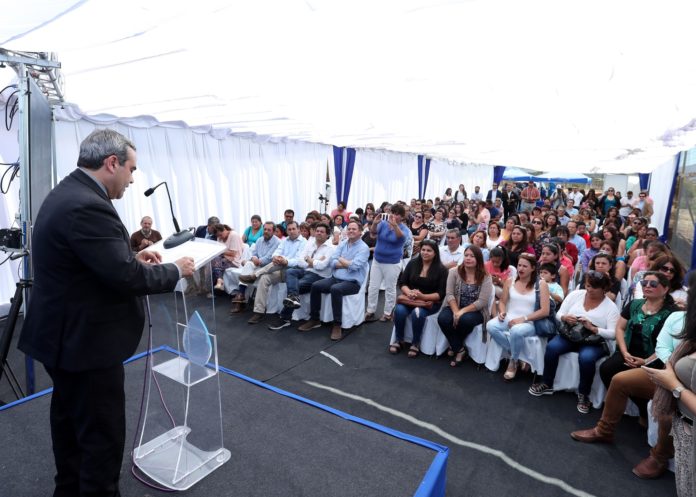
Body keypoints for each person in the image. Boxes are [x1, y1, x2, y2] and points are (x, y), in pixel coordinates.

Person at [18, 129, 195, 497]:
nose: (132, 179)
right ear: (112, 162)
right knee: (101, 439)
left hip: (66, 339)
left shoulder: (69, 192)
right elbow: (124, 277)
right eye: (131, 169)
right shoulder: (88, 204)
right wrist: (176, 269)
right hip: (85, 346)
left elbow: (89, 263)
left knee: (71, 428)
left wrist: (130, 256)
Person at [571, 272, 689, 480]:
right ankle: (604, 430)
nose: (648, 286)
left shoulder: (671, 311)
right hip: (658, 365)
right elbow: (660, 344)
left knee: (666, 412)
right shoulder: (671, 315)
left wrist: (649, 363)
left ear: (666, 288)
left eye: (654, 283)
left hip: (668, 371)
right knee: (616, 377)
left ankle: (659, 456)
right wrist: (626, 353)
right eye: (645, 282)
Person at [529, 271, 620, 413]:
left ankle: (584, 394)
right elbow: (558, 314)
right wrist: (565, 318)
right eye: (588, 285)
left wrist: (594, 329)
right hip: (571, 334)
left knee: (586, 358)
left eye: (594, 287)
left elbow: (614, 334)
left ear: (604, 289)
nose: (589, 289)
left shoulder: (611, 307)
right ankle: (547, 383)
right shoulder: (576, 295)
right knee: (552, 347)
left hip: (594, 340)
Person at [645, 277, 696, 492]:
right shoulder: (679, 320)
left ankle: (658, 457)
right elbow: (663, 346)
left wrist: (673, 384)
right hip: (685, 429)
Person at [298, 220, 370, 341]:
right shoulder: (343, 243)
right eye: (349, 229)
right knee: (315, 286)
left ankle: (337, 324)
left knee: (335, 289)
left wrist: (341, 260)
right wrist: (346, 262)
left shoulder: (364, 248)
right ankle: (314, 319)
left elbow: (354, 267)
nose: (351, 231)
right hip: (336, 278)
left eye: (354, 229)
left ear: (360, 232)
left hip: (352, 282)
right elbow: (332, 262)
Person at [487, 253, 551, 381]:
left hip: (530, 322)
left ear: (533, 268)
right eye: (519, 265)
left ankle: (513, 362)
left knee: (516, 330)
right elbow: (503, 302)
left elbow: (545, 311)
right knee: (491, 326)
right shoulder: (510, 281)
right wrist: (502, 312)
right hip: (510, 317)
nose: (521, 268)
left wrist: (523, 319)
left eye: (525, 266)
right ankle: (516, 354)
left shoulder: (541, 284)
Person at [268, 223, 335, 330]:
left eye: (322, 232)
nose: (318, 233)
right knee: (290, 271)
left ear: (327, 235)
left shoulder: (331, 248)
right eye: (317, 231)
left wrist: (309, 260)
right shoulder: (310, 243)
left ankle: (285, 318)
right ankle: (293, 298)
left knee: (297, 286)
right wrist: (312, 262)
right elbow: (300, 261)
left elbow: (321, 267)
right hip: (306, 270)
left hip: (319, 275)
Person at [390, 240, 448, 357]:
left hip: (429, 302)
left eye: (429, 251)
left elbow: (441, 294)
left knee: (417, 313)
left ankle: (415, 342)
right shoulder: (413, 263)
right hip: (410, 299)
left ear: (435, 253)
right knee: (399, 311)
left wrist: (422, 296)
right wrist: (409, 292)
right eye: (423, 250)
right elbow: (402, 282)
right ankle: (399, 339)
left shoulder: (441, 270)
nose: (425, 253)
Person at [438, 245, 494, 367]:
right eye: (466, 255)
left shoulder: (486, 276)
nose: (468, 258)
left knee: (465, 320)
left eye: (472, 256)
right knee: (443, 319)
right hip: (455, 305)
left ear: (478, 259)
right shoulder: (454, 272)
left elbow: (482, 302)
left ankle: (455, 346)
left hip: (475, 310)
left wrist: (461, 312)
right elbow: (449, 294)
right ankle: (460, 349)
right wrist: (456, 311)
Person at [245, 221, 306, 324]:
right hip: (280, 268)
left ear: (299, 229)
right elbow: (276, 253)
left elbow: (299, 260)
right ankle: (259, 312)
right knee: (265, 278)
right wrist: (277, 258)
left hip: (294, 271)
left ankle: (256, 274)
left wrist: (285, 261)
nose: (291, 231)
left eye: (293, 229)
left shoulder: (304, 242)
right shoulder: (285, 241)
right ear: (287, 231)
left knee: (276, 265)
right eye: (289, 229)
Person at [365, 204, 411, 322]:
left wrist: (395, 226)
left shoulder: (405, 229)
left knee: (390, 288)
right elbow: (373, 233)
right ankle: (370, 310)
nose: (394, 215)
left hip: (392, 262)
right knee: (373, 287)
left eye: (397, 214)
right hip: (377, 259)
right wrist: (375, 223)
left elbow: (401, 238)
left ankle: (388, 313)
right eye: (392, 212)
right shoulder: (383, 224)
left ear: (402, 217)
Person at [211, 223, 244, 292]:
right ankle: (219, 281)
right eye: (218, 236)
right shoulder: (219, 237)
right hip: (223, 259)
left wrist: (221, 252)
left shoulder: (233, 235)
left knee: (215, 261)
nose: (220, 237)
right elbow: (218, 251)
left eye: (221, 235)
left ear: (225, 230)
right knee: (214, 261)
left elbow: (233, 253)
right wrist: (224, 253)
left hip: (235, 261)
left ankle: (216, 285)